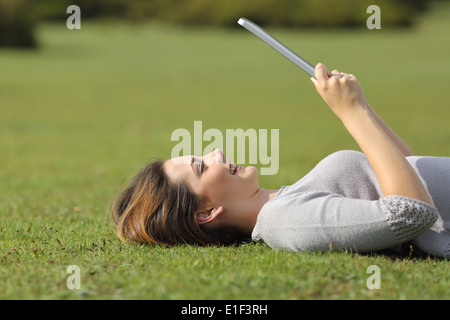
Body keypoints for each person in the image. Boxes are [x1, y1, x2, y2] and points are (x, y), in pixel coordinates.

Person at [112, 63, 449, 258]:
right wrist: (352, 114)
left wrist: (360, 104)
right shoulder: (285, 222)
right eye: (201, 167)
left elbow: (407, 167)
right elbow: (410, 213)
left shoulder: (288, 198)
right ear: (206, 213)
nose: (216, 153)